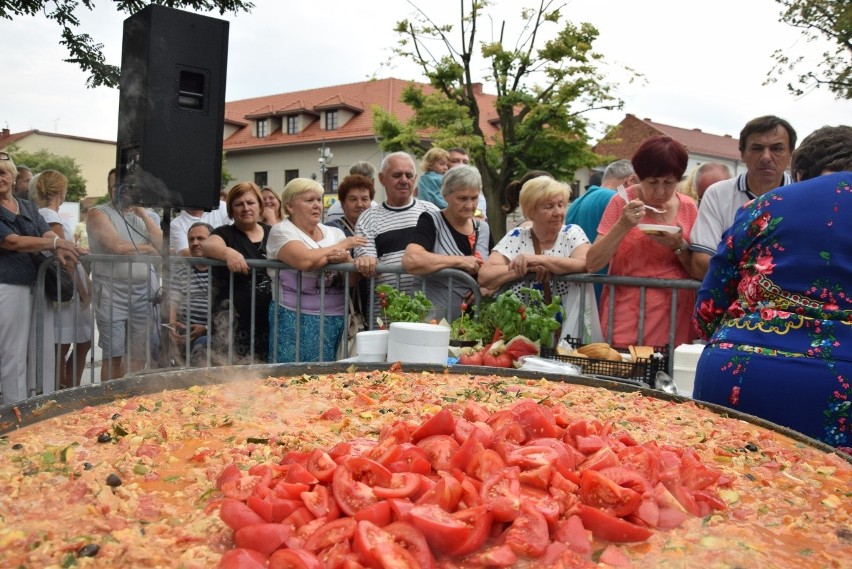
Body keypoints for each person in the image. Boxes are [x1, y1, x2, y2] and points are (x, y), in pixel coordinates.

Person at [693, 125, 852, 452]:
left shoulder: (764, 206)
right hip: (840, 382)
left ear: (800, 172)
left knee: (732, 492)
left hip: (741, 371)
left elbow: (708, 313)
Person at [586, 135, 698, 347]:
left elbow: (698, 267)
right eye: (652, 182)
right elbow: (593, 262)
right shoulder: (621, 201)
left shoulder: (689, 207)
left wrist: (678, 246)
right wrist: (623, 224)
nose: (660, 191)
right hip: (627, 317)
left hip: (676, 316)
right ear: (637, 177)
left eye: (669, 183)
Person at [0, 152, 81, 403]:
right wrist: (58, 242)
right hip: (8, 285)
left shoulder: (26, 206)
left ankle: (39, 405)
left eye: (2, 172)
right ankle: (15, 410)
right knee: (12, 353)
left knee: (40, 349)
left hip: (36, 284)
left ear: (13, 176)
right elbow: (12, 242)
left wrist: (66, 246)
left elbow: (45, 232)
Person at [479, 176, 600, 343]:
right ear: (531, 212)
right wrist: (526, 269)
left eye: (561, 204)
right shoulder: (517, 236)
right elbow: (485, 275)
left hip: (568, 329)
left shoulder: (572, 232)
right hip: (523, 328)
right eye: (549, 206)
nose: (558, 212)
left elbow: (585, 263)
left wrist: (538, 260)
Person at [267, 178, 365, 362]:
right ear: (290, 206)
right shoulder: (281, 231)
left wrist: (346, 258)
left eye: (319, 200)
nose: (316, 205)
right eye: (309, 200)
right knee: (293, 377)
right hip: (293, 318)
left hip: (336, 319)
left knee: (331, 379)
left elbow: (351, 281)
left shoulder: (334, 233)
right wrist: (341, 246)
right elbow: (305, 261)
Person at [688, 116, 796, 280]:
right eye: (757, 148)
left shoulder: (805, 198)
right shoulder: (718, 194)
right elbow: (701, 262)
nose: (766, 157)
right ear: (743, 154)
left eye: (777, 148)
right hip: (731, 304)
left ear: (790, 156)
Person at [87, 168, 163, 380]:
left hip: (142, 292)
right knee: (113, 353)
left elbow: (162, 244)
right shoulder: (98, 213)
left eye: (128, 187)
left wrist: (143, 214)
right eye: (115, 186)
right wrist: (149, 248)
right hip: (111, 291)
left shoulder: (147, 216)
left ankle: (132, 396)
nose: (122, 191)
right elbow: (116, 246)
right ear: (109, 189)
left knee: (139, 351)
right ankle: (108, 401)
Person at [403, 165, 492, 321]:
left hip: (472, 325)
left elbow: (493, 268)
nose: (470, 205)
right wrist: (460, 261)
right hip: (431, 322)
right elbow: (411, 260)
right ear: (445, 195)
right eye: (462, 198)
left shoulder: (483, 229)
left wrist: (487, 287)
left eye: (474, 198)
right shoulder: (431, 221)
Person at [30, 170, 93, 389]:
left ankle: (67, 388)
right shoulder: (50, 215)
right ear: (61, 190)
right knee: (65, 345)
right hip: (66, 289)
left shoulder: (44, 213)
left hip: (66, 286)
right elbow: (65, 256)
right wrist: (84, 290)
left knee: (79, 343)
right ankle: (64, 390)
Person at [201, 182, 271, 363]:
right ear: (231, 209)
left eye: (250, 202)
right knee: (227, 376)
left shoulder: (273, 233)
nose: (245, 208)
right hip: (231, 323)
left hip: (267, 322)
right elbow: (208, 245)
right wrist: (228, 253)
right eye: (239, 204)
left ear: (260, 206)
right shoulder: (224, 233)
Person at [354, 152, 439, 297]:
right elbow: (367, 261)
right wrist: (365, 260)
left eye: (409, 175)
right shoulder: (367, 218)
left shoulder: (432, 212)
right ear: (382, 178)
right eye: (397, 175)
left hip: (427, 308)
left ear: (415, 178)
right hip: (384, 312)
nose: (404, 180)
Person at [565, 160, 637, 302]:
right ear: (631, 180)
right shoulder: (615, 200)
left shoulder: (576, 203)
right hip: (604, 292)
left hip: (577, 290)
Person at [168, 222, 213, 367]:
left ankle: (199, 387)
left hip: (211, 331)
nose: (195, 243)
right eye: (191, 239)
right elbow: (172, 301)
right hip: (184, 328)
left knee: (202, 345)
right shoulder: (181, 271)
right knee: (155, 341)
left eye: (200, 238)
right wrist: (172, 326)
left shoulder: (221, 272)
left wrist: (205, 328)